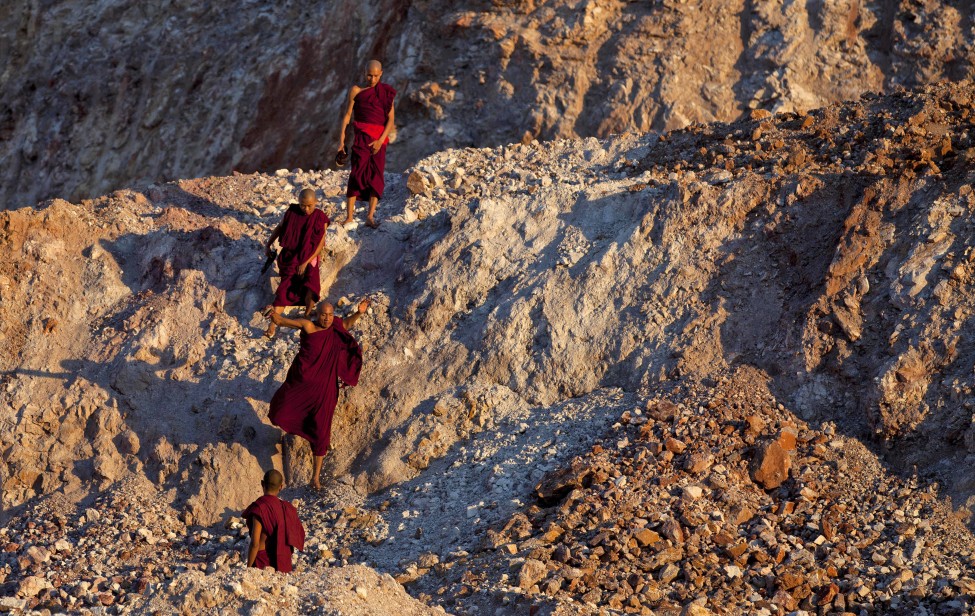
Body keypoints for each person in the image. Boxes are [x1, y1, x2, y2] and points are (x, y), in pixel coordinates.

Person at [266, 298, 371, 489]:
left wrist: (359, 312)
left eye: (330, 315)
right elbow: (283, 322)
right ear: (316, 314)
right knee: (279, 411)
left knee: (322, 431)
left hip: (326, 389)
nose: (327, 318)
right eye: (324, 314)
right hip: (302, 385)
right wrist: (272, 314)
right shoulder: (308, 326)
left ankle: (315, 478)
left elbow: (346, 324)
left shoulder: (336, 327)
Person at [263, 188, 330, 338]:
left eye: (309, 206)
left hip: (309, 256)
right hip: (290, 257)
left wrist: (305, 262)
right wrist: (268, 244)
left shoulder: (320, 217)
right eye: (302, 205)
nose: (306, 209)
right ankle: (273, 325)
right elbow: (280, 228)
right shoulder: (291, 213)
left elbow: (320, 244)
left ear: (316, 202)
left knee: (311, 283)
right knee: (284, 288)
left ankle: (306, 314)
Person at [338, 60, 396, 228]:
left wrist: (380, 140)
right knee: (356, 173)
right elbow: (348, 114)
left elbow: (390, 120)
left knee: (376, 177)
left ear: (381, 74)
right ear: (365, 73)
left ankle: (370, 216)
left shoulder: (386, 93)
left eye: (376, 76)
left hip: (379, 140)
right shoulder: (356, 91)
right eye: (369, 75)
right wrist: (341, 140)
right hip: (361, 137)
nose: (372, 79)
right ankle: (349, 217)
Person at [242, 469, 305, 573]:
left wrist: (248, 568)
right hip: (282, 561)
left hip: (261, 561)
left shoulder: (260, 507)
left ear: (262, 483)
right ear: (281, 486)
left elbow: (255, 543)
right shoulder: (288, 508)